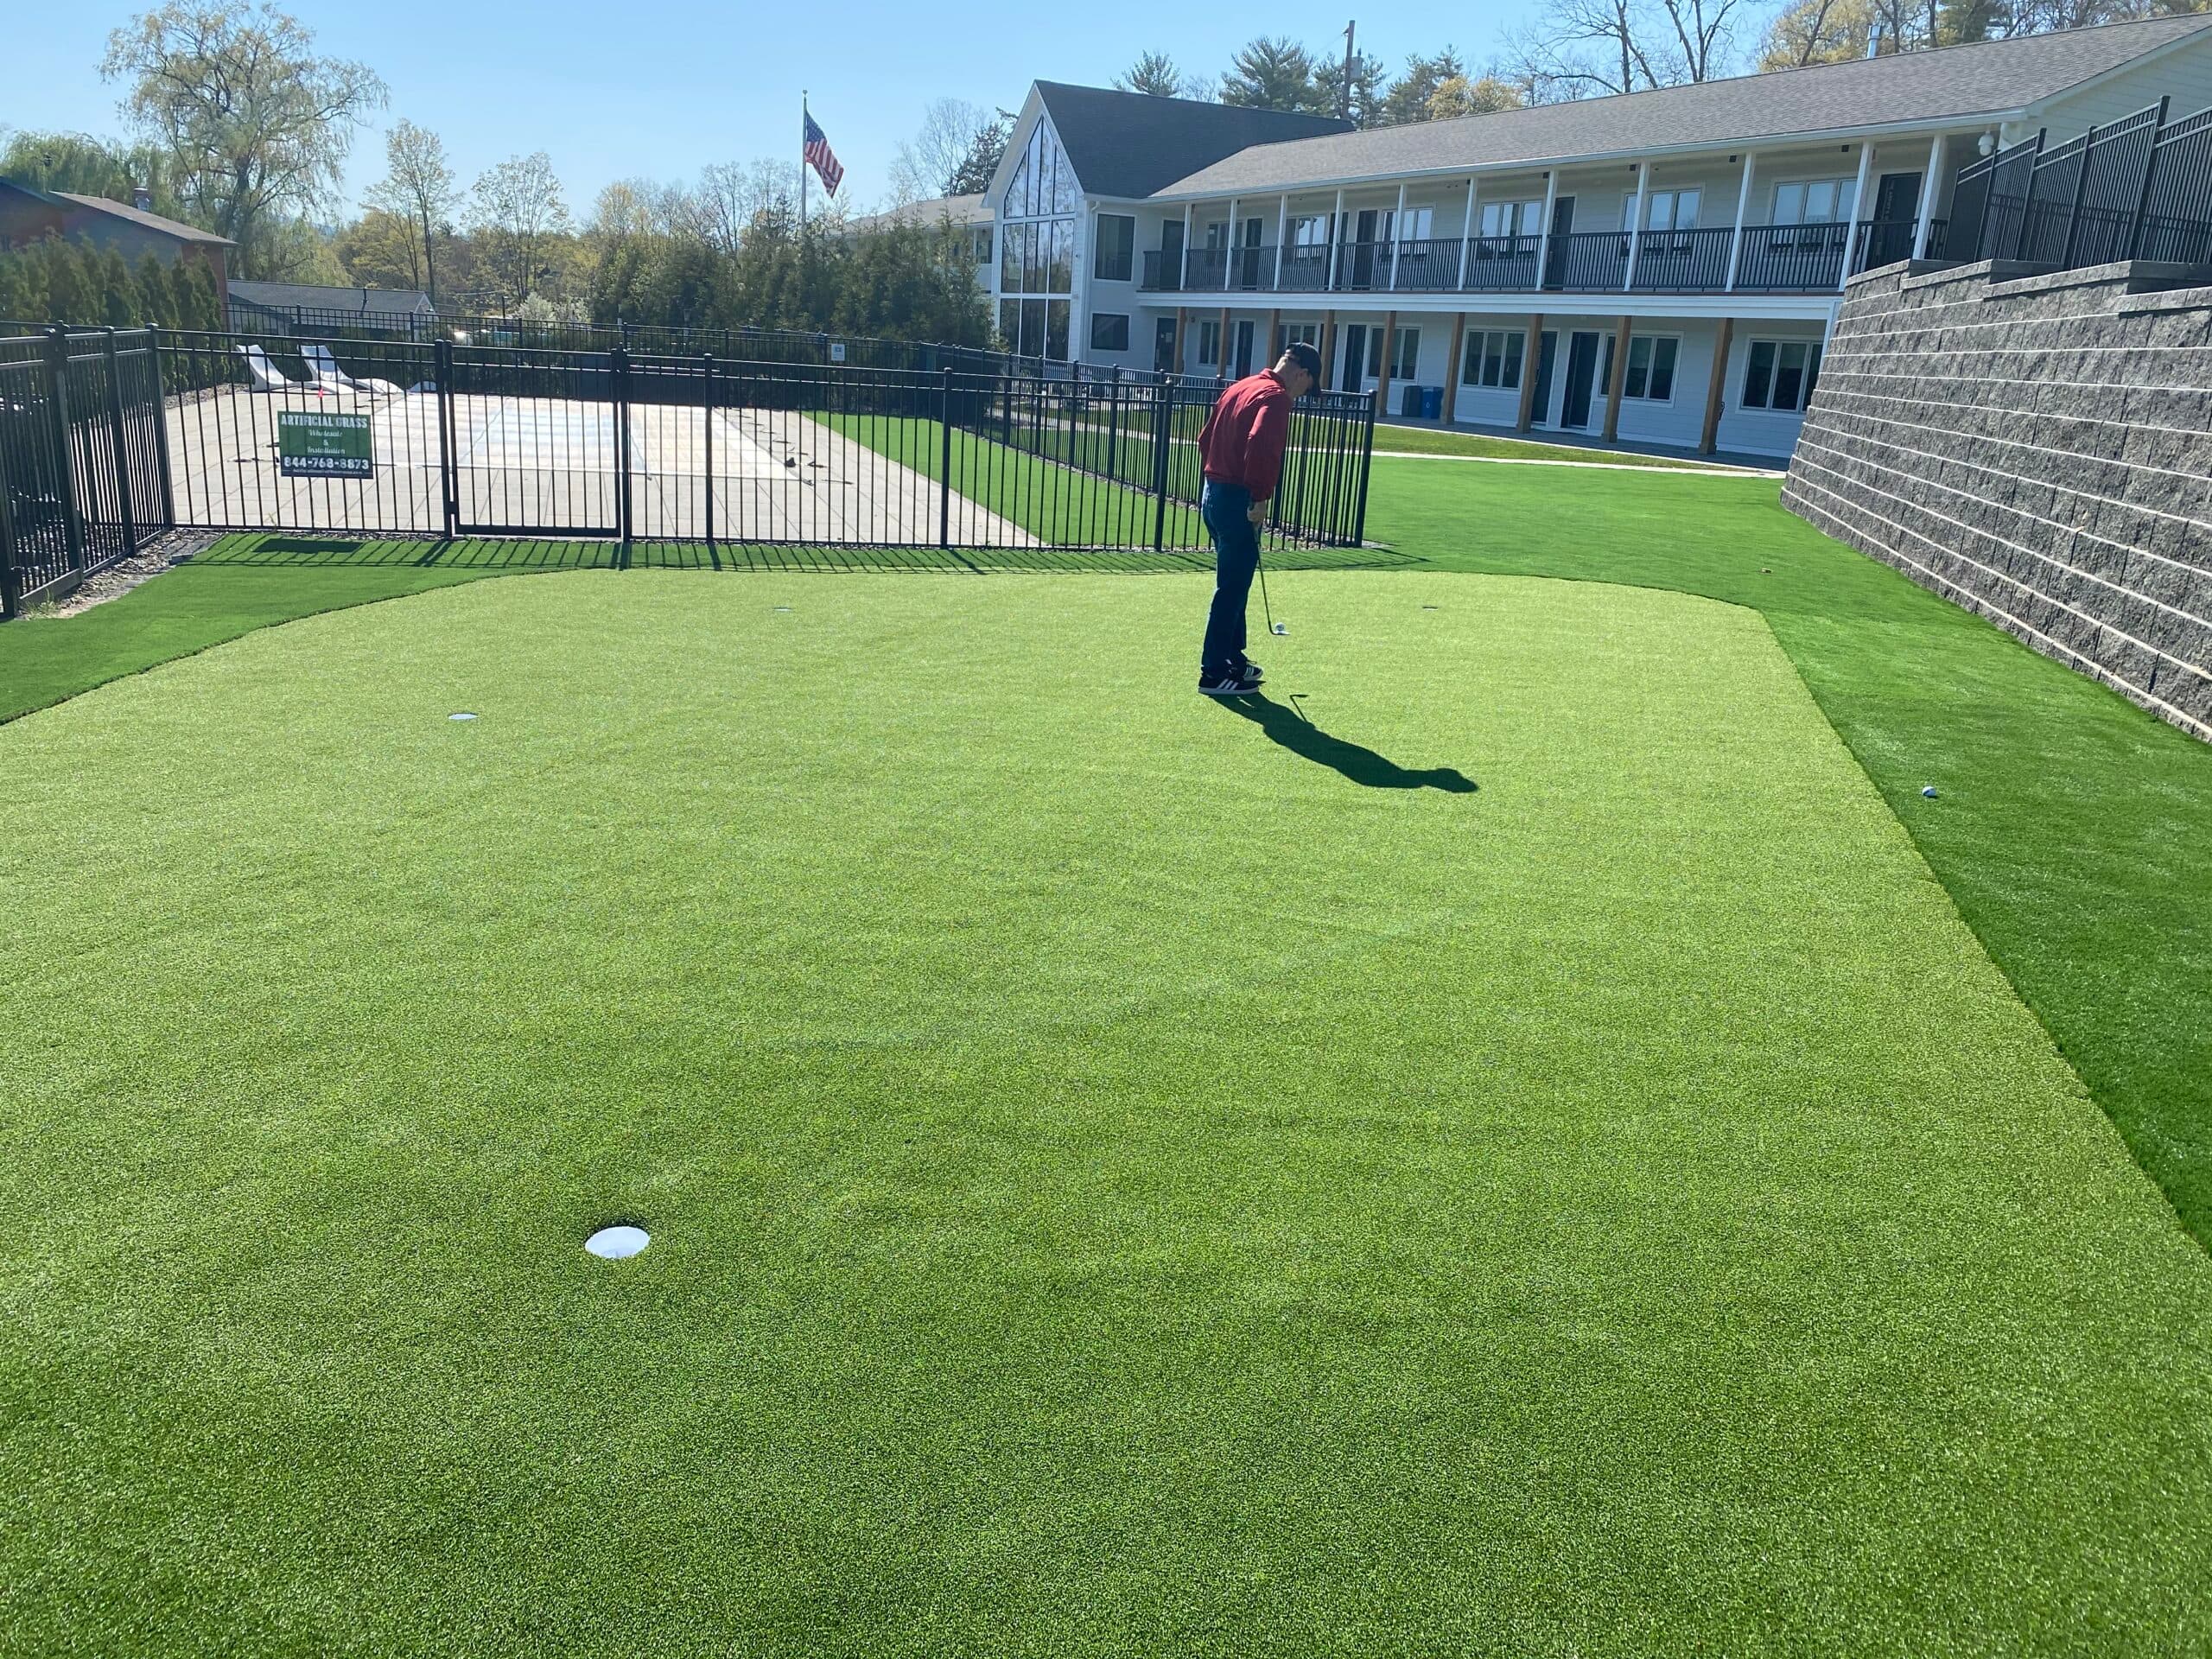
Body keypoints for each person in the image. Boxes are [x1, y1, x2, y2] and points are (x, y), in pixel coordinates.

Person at [1193, 341, 1319, 696]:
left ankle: (1234, 658)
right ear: (1302, 373)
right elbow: (1261, 445)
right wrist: (1260, 497)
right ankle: (1213, 672)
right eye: (1306, 386)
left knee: (1234, 582)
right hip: (1237, 499)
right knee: (1231, 588)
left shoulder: (1241, 386)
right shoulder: (1277, 397)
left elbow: (1205, 440)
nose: (1301, 393)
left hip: (1212, 493)